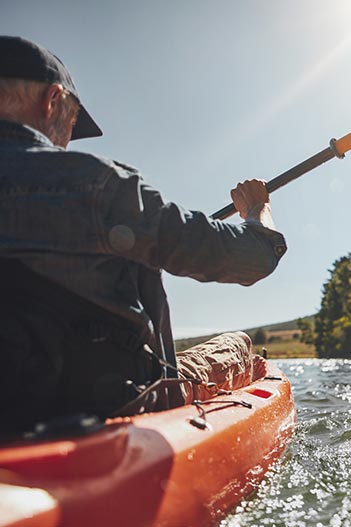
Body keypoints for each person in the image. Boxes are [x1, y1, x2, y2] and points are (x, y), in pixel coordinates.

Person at [0, 36, 287, 433]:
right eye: (70, 124)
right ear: (52, 101)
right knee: (239, 344)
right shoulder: (101, 187)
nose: (66, 141)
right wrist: (257, 213)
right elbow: (254, 258)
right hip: (114, 405)